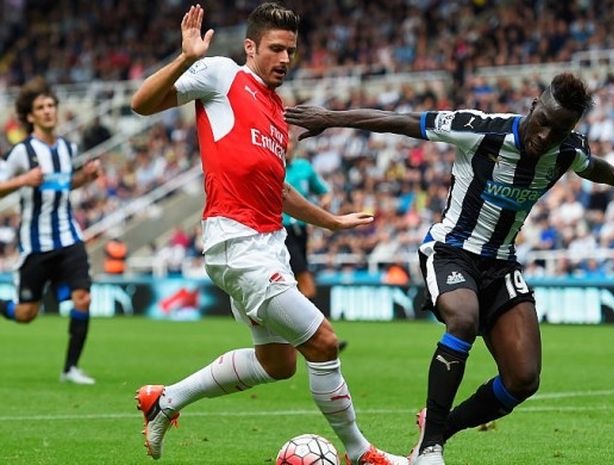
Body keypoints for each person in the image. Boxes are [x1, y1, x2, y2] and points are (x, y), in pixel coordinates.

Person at [284, 72, 614, 465]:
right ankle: (431, 447)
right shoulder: (480, 129)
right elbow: (400, 121)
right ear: (534, 106)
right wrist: (330, 117)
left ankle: (440, 425)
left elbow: (592, 165)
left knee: (523, 380)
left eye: (560, 130)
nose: (546, 135)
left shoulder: (568, 149)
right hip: (451, 251)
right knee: (463, 320)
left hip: (501, 264)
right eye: (544, 121)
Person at [130, 4, 407, 464]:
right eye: (276, 48)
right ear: (250, 46)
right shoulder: (221, 75)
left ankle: (165, 400)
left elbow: (278, 190)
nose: (284, 58)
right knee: (322, 341)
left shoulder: (278, 113)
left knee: (280, 364)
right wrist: (185, 58)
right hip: (236, 242)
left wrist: (332, 221)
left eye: (291, 51)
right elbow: (141, 104)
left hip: (270, 245)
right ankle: (362, 452)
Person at [0, 77, 102, 385]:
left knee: (82, 298)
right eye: (40, 107)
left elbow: (63, 185)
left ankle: (70, 368)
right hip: (35, 244)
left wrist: (84, 178)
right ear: (30, 116)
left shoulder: (67, 149)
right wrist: (22, 181)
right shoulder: (21, 152)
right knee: (26, 314)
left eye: (51, 105)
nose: (48, 111)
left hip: (69, 238)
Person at [283, 144, 349, 351]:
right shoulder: (269, 165)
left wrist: (326, 202)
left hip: (301, 232)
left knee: (295, 285)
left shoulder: (304, 168)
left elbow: (324, 191)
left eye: (290, 143)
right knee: (305, 281)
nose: (287, 148)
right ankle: (323, 336)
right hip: (279, 231)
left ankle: (297, 334)